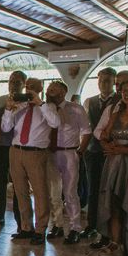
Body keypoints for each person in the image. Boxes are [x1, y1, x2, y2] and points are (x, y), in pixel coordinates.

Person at [2, 77, 60, 245]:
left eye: (33, 87)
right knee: (20, 191)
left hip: (36, 153)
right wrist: (8, 109)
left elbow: (55, 123)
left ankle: (40, 229)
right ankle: (26, 227)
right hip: (16, 151)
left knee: (40, 192)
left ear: (40, 89)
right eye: (27, 86)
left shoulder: (48, 107)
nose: (29, 90)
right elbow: (6, 128)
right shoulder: (19, 106)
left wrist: (39, 103)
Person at [44, 80, 91, 244]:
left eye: (54, 89)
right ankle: (57, 224)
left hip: (69, 153)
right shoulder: (46, 108)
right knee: (53, 193)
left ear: (63, 92)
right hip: (51, 153)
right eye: (49, 89)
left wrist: (80, 151)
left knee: (70, 192)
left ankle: (75, 228)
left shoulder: (76, 109)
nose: (49, 92)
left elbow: (86, 131)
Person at [82, 67, 118, 240]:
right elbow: (85, 127)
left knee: (109, 190)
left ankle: (109, 230)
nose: (103, 83)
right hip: (93, 151)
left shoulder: (119, 101)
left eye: (107, 80)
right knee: (92, 189)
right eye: (101, 80)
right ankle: (91, 225)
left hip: (112, 152)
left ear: (113, 82)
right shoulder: (89, 101)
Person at [0, 71, 25, 233]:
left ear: (23, 84)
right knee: (0, 182)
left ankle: (20, 218)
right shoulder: (0, 100)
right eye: (11, 81)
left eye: (17, 81)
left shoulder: (26, 102)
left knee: (18, 183)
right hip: (1, 146)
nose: (13, 84)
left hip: (17, 147)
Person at [97, 78, 128, 255]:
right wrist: (106, 145)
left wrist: (123, 149)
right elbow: (104, 135)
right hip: (115, 164)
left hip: (127, 160)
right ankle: (115, 242)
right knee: (115, 202)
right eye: (124, 91)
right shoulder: (115, 114)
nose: (127, 94)